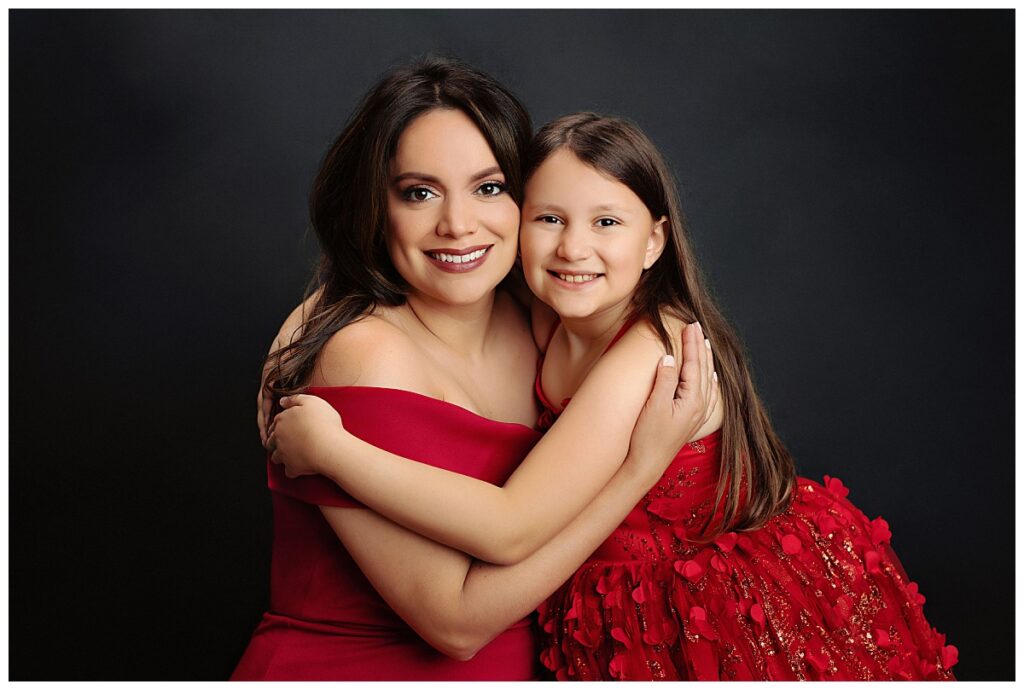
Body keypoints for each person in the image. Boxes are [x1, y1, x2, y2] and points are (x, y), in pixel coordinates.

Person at [268, 113, 958, 681]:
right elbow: (408, 282)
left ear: (656, 240)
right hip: (612, 605)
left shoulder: (648, 352)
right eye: (548, 220)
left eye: (607, 223)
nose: (573, 249)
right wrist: (303, 334)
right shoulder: (548, 312)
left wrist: (335, 451)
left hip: (715, 610)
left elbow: (508, 525)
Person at [233, 57, 715, 681]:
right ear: (375, 208)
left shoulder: (537, 311)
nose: (458, 224)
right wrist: (638, 470)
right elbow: (455, 625)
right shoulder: (364, 353)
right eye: (419, 192)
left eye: (488, 188)